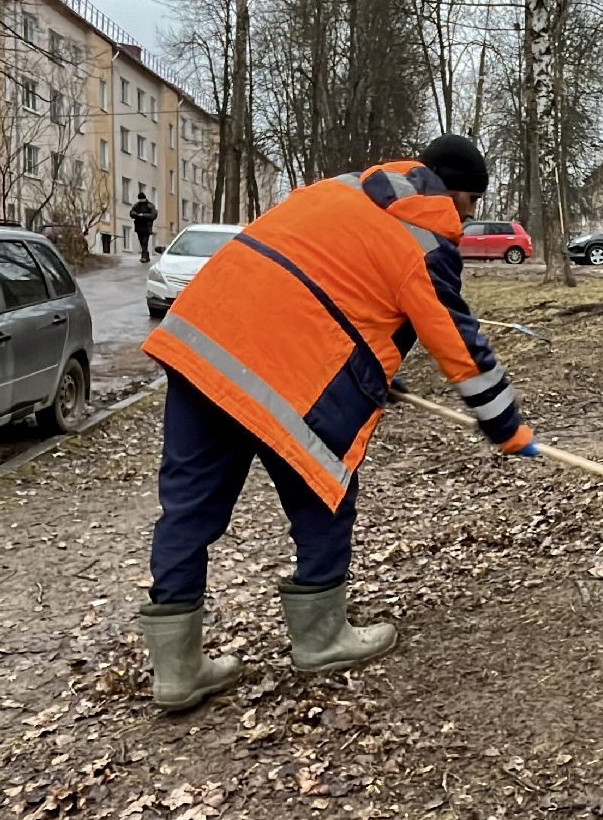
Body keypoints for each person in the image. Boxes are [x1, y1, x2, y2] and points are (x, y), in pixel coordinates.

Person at [136, 134, 537, 712]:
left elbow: (322, 281)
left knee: (188, 510)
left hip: (201, 345)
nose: (467, 219)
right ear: (456, 193)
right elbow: (458, 344)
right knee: (324, 491)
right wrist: (506, 428)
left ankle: (175, 672)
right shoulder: (425, 240)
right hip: (286, 374)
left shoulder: (335, 191)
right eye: (470, 204)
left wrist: (374, 370)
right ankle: (321, 640)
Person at [131, 193, 158, 262]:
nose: (141, 200)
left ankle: (143, 257)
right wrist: (134, 214)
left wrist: (143, 215)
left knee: (144, 242)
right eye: (140, 199)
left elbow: (153, 215)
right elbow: (131, 212)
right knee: (141, 242)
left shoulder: (150, 205)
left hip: (146, 227)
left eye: (142, 199)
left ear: (145, 198)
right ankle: (146, 256)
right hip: (139, 227)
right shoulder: (137, 205)